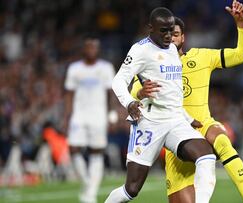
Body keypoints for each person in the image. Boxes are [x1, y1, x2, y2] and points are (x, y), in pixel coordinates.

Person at [131, 1, 243, 203]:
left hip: (203, 124)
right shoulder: (151, 64)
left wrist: (241, 23)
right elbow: (133, 92)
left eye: (176, 34)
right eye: (167, 33)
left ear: (183, 37)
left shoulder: (202, 57)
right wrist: (140, 92)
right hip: (175, 137)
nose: (171, 38)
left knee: (222, 140)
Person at [105, 7, 217, 203]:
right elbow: (118, 81)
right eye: (163, 30)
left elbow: (171, 91)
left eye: (170, 30)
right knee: (131, 190)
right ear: (151, 28)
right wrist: (130, 102)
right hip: (149, 122)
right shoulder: (140, 50)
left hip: (175, 121)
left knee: (206, 156)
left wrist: (187, 118)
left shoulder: (173, 50)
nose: (168, 36)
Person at [64, 36, 115, 203]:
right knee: (73, 149)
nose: (92, 49)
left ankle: (91, 193)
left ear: (98, 49)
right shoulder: (74, 69)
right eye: (89, 47)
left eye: (95, 47)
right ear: (84, 49)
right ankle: (87, 183)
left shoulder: (106, 68)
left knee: (97, 152)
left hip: (98, 115)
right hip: (79, 115)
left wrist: (110, 113)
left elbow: (110, 93)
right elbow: (69, 94)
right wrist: (68, 116)